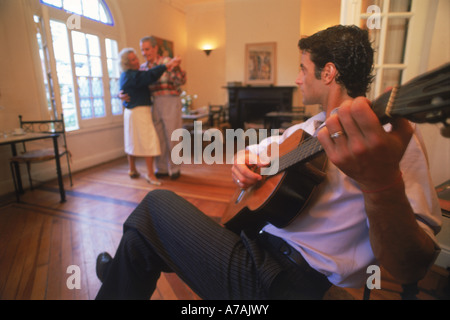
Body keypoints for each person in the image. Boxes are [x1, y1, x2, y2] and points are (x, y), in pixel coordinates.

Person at [95, 25, 442, 300]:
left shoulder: (390, 135)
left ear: (328, 73)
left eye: (302, 68)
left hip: (286, 282)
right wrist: (243, 163)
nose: (296, 78)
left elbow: (411, 266)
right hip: (252, 245)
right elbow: (253, 151)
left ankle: (123, 272)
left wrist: (381, 185)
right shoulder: (306, 129)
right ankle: (126, 269)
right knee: (142, 239)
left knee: (154, 207)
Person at [119, 48, 181, 186]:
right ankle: (151, 173)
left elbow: (127, 89)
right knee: (150, 141)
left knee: (132, 140)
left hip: (135, 110)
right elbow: (149, 77)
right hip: (140, 111)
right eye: (134, 58)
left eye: (146, 49)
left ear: (155, 48)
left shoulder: (130, 74)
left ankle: (132, 169)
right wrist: (167, 65)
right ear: (127, 63)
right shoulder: (135, 73)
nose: (140, 58)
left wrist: (120, 96)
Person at [140, 36, 187, 180]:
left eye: (147, 49)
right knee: (158, 136)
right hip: (154, 102)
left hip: (170, 100)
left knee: (172, 135)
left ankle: (175, 168)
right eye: (142, 50)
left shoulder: (167, 62)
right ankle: (161, 168)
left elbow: (181, 81)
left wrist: (177, 67)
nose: (144, 53)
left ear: (155, 48)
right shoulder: (143, 68)